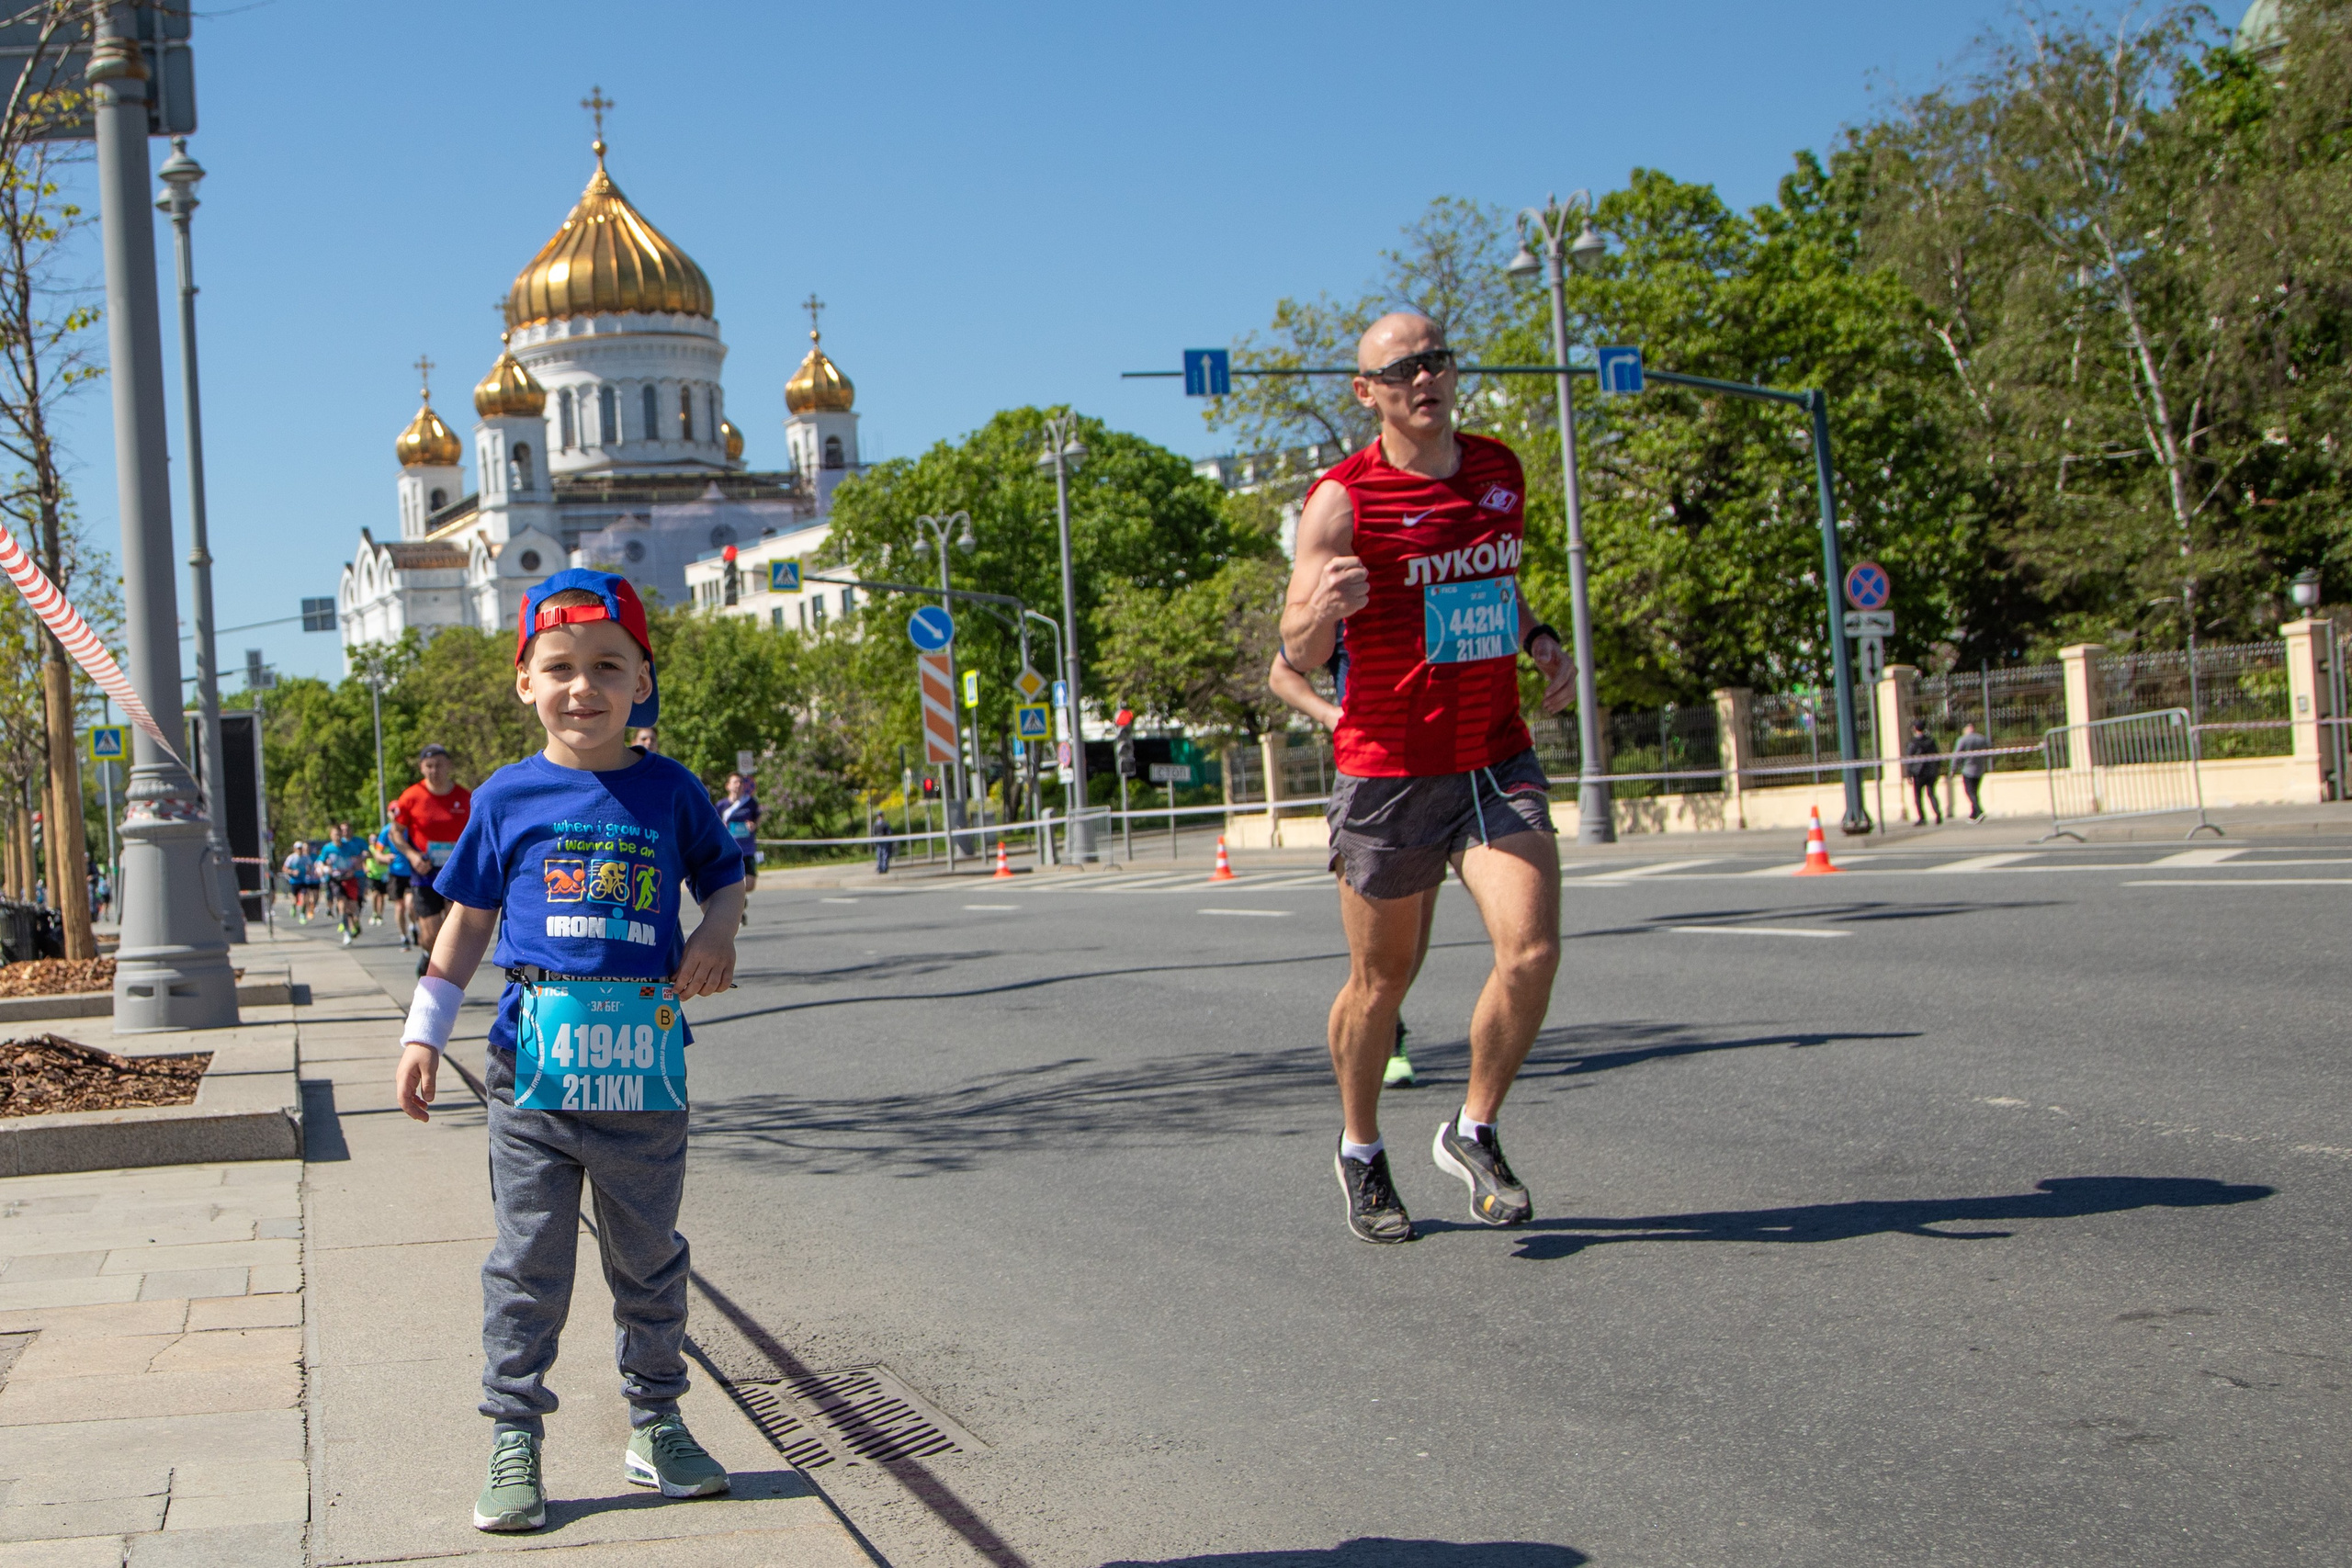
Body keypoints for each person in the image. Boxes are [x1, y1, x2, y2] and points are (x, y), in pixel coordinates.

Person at [391, 569, 744, 1534]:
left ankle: (656, 1422)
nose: (581, 687)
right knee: (529, 1260)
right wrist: (426, 1032)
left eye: (606, 667)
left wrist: (717, 930)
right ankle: (514, 1436)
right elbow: (465, 924)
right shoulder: (506, 797)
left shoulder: (671, 792)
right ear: (524, 683)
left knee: (647, 1259)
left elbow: (726, 875)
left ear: (642, 680)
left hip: (644, 1074)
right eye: (559, 668)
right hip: (532, 1078)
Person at [1278, 311, 1576, 1245]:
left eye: (1435, 361)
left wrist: (1537, 638)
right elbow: (1293, 647)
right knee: (1382, 981)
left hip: (1492, 750)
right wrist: (1325, 610)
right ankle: (1361, 1150)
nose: (1424, 379)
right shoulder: (1341, 501)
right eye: (1400, 369)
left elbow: (1495, 578)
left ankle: (1472, 1129)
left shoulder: (1498, 471)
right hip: (1390, 772)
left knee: (1529, 951)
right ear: (1365, 393)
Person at [1268, 639, 1428, 1091]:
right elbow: (1281, 671)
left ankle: (1390, 1031)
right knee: (1379, 962)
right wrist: (1329, 714)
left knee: (1410, 947)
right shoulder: (1346, 590)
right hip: (1378, 781)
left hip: (1451, 767)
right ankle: (1385, 1045)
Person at [389, 743, 473, 977]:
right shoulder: (411, 796)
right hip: (424, 871)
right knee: (431, 932)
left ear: (449, 766)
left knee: (453, 928)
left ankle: (445, 976)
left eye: (439, 765)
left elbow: (476, 833)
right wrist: (412, 855)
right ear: (422, 768)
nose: (434, 771)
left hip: (454, 872)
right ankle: (428, 955)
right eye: (429, 766)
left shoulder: (464, 798)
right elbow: (395, 832)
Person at [319, 821, 369, 945]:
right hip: (336, 879)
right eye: (335, 834)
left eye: (339, 834)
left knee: (352, 906)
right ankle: (346, 931)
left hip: (350, 878)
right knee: (341, 903)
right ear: (331, 835)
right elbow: (320, 861)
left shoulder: (349, 846)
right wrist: (324, 869)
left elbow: (358, 859)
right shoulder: (328, 848)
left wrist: (353, 870)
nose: (337, 837)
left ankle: (353, 921)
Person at [718, 773, 761, 900]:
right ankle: (738, 905)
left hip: (747, 850)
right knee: (732, 882)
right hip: (730, 851)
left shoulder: (750, 802)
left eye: (741, 782)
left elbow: (758, 818)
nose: (738, 785)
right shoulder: (722, 805)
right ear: (728, 786)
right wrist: (722, 827)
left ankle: (741, 899)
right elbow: (714, 824)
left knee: (750, 885)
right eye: (735, 782)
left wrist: (753, 825)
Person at [376, 821, 417, 947]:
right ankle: (404, 936)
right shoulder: (386, 830)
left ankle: (414, 926)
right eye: (393, 811)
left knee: (410, 904)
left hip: (412, 872)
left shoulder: (411, 826)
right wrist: (384, 858)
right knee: (400, 907)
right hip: (396, 874)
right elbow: (377, 852)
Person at [1904, 718, 1945, 826]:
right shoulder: (1931, 741)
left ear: (1914, 728)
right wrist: (1937, 769)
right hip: (1931, 771)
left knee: (1918, 796)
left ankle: (1922, 817)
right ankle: (1938, 814)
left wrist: (1908, 773)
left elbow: (1909, 759)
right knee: (1931, 794)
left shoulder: (1913, 742)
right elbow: (1937, 756)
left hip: (1918, 772)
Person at [1954, 720, 1992, 822]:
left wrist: (1953, 770)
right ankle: (1973, 814)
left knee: (1970, 792)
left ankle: (1979, 811)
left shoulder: (1962, 740)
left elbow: (1956, 755)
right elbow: (1989, 751)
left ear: (1966, 729)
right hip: (1980, 769)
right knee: (1975, 792)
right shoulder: (1981, 738)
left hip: (1967, 770)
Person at [282, 840, 317, 922]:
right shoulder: (291, 858)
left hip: (303, 880)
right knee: (295, 900)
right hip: (294, 881)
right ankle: (293, 907)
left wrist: (309, 871)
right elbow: (284, 868)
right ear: (295, 849)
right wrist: (292, 872)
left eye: (301, 848)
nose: (300, 850)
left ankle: (302, 914)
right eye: (298, 848)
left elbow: (310, 866)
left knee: (305, 898)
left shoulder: (306, 858)